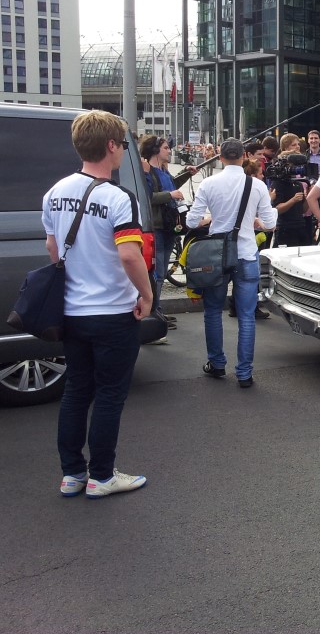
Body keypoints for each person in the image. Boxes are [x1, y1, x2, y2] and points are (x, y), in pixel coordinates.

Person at [45, 111, 153, 498]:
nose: (123, 151)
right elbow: (129, 255)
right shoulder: (118, 198)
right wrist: (147, 295)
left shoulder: (55, 192)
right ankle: (102, 476)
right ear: (110, 146)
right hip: (113, 312)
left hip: (72, 311)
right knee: (109, 394)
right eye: (122, 144)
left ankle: (72, 473)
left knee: (76, 391)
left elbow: (53, 248)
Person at [186, 138, 277, 387]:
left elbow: (191, 222)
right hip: (246, 253)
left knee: (213, 311)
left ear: (220, 156)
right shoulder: (257, 185)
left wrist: (210, 220)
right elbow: (270, 224)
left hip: (217, 254)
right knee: (247, 316)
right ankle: (244, 373)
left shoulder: (208, 183)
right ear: (244, 155)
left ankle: (217, 363)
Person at [139, 135, 196, 324]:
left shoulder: (163, 170)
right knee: (157, 272)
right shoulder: (148, 171)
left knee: (162, 272)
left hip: (168, 226)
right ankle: (153, 313)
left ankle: (157, 310)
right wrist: (170, 195)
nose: (169, 151)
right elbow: (148, 196)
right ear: (155, 150)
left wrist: (187, 174)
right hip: (157, 226)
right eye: (165, 148)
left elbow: (171, 186)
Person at [268, 133, 310, 246]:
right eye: (293, 145)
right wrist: (293, 200)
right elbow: (276, 209)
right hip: (285, 229)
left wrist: (309, 195)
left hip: (300, 226)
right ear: (285, 148)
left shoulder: (298, 183)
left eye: (298, 144)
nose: (297, 147)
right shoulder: (278, 181)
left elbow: (303, 210)